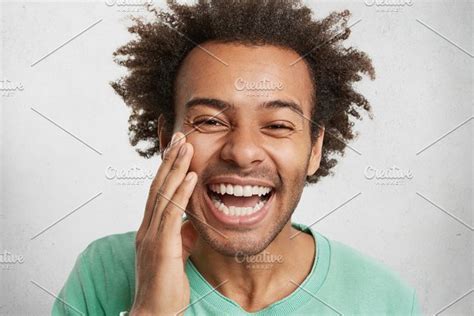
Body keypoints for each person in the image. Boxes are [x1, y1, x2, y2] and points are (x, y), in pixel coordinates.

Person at [53, 1, 421, 315]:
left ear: (315, 149)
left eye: (277, 125)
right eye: (210, 121)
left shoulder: (386, 300)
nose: (243, 152)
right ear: (168, 140)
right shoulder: (103, 273)